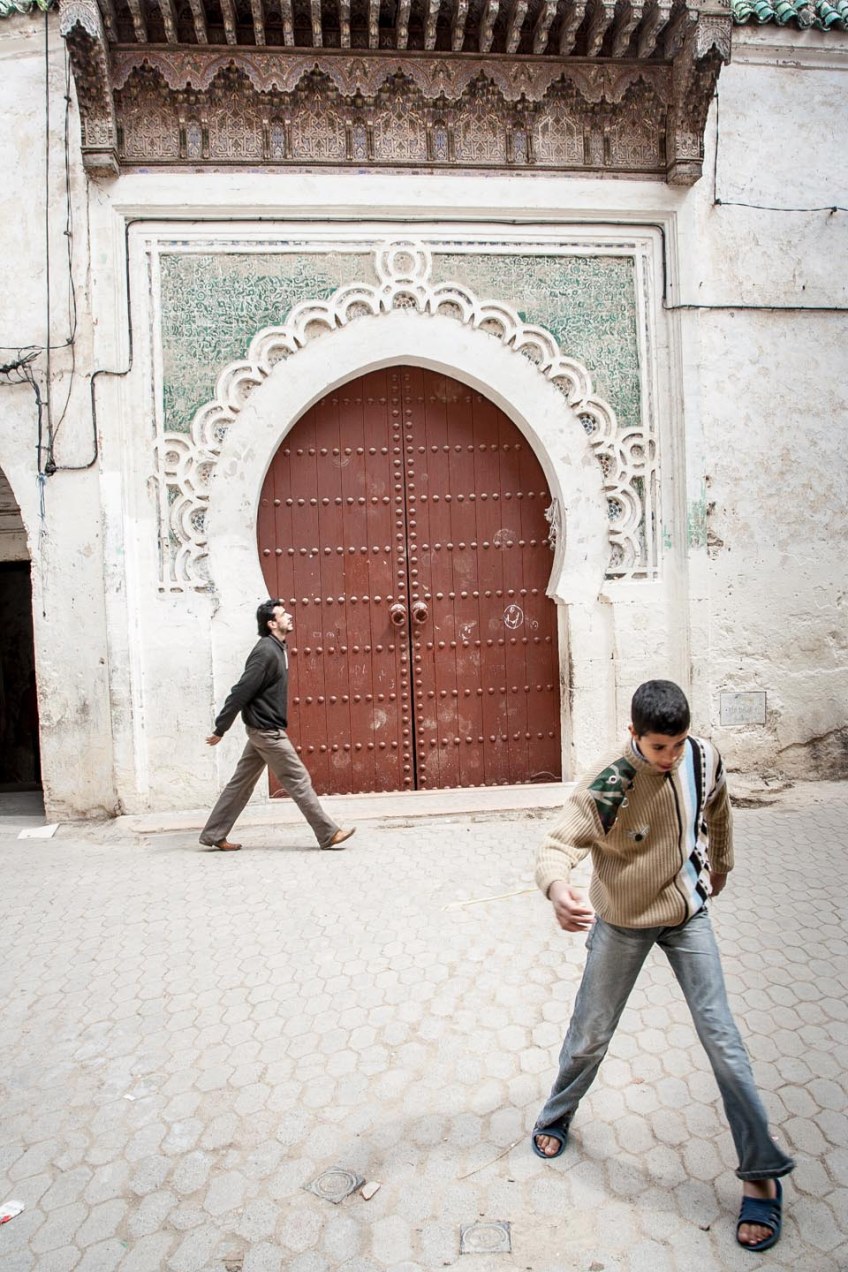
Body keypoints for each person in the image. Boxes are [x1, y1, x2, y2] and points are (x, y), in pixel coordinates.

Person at [532, 679, 793, 1253]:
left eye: (677, 745)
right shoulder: (613, 780)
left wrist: (720, 864)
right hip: (622, 921)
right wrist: (557, 888)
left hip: (687, 916)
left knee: (722, 1037)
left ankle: (759, 1171)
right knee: (590, 1034)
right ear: (634, 736)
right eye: (658, 748)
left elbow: (719, 808)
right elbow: (558, 841)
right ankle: (556, 1114)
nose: (670, 758)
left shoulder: (703, 756)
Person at [200, 598, 354, 853]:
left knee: (240, 783)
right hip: (267, 732)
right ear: (272, 623)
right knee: (298, 778)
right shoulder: (265, 652)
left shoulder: (276, 647)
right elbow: (241, 691)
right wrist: (221, 728)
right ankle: (328, 833)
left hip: (261, 730)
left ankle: (213, 833)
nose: (289, 616)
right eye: (283, 615)